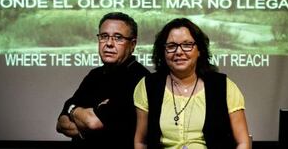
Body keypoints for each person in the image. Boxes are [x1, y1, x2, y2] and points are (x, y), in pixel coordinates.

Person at [134, 18, 250, 149]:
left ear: (199, 50)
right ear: (163, 52)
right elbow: (141, 142)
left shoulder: (224, 86)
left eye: (187, 45)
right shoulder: (148, 86)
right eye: (171, 46)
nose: (179, 52)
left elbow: (243, 142)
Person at [56, 12, 150, 148]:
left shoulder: (139, 79)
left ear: (132, 44)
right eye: (104, 36)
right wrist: (81, 114)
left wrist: (72, 110)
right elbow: (61, 124)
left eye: (118, 38)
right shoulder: (94, 75)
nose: (109, 44)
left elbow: (93, 122)